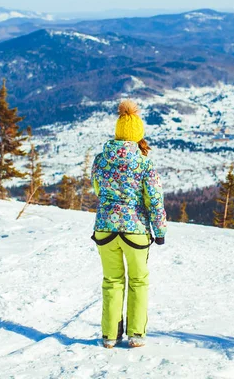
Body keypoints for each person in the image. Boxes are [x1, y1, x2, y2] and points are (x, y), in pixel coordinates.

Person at [91, 100, 167, 349]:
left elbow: (97, 190)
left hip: (104, 229)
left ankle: (110, 336)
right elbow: (154, 200)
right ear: (138, 134)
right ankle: (136, 334)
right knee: (138, 281)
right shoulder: (144, 164)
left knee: (111, 281)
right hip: (136, 231)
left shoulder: (100, 160)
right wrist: (160, 231)